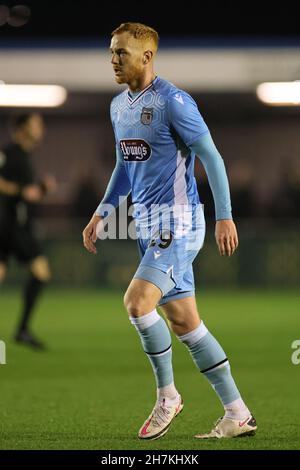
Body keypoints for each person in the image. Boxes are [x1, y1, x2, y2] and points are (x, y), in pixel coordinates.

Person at [83, 23, 257, 440]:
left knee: (137, 302)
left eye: (121, 53)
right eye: (111, 52)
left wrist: (225, 215)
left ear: (147, 57)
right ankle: (237, 413)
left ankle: (168, 397)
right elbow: (126, 165)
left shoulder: (173, 101)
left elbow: (211, 158)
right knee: (185, 324)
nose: (113, 60)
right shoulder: (117, 106)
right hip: (147, 225)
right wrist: (101, 212)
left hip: (179, 222)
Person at [0, 113, 56, 350]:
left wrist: (41, 189)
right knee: (38, 272)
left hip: (16, 225)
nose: (40, 129)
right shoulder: (9, 153)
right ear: (22, 129)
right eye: (36, 125)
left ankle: (22, 330)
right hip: (6, 224)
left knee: (40, 273)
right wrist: (23, 191)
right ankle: (22, 330)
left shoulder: (24, 156)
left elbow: (27, 193)